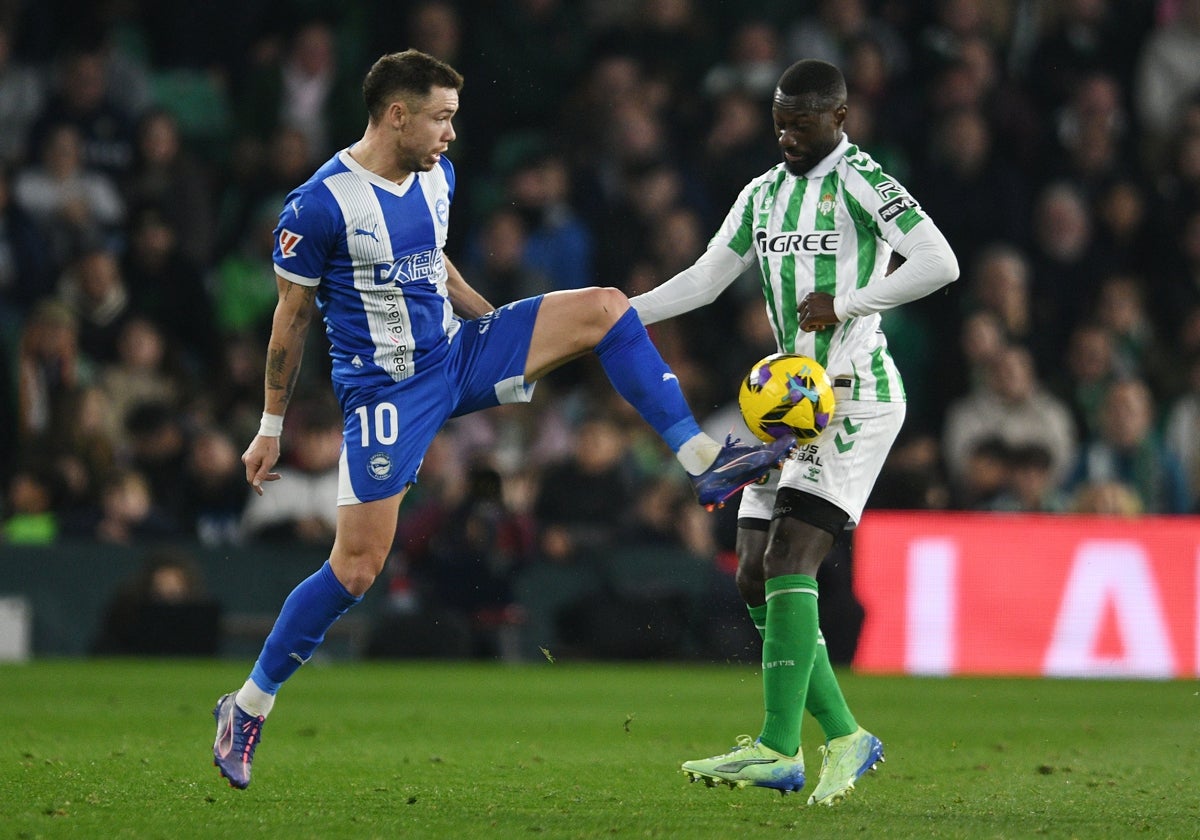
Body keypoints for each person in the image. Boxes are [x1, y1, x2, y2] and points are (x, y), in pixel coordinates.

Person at [210, 48, 794, 790]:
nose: (452, 134)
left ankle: (703, 458)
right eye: (441, 118)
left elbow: (435, 264)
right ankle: (248, 706)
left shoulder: (437, 176)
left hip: (456, 355)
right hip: (387, 394)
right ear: (396, 115)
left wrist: (506, 339)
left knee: (609, 308)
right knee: (357, 567)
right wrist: (270, 426)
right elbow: (289, 322)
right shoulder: (319, 205)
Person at [629, 59, 959, 805]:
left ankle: (781, 749)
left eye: (802, 123)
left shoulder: (864, 181)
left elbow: (940, 262)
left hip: (852, 396)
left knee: (788, 557)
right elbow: (708, 277)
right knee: (751, 568)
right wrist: (622, 315)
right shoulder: (764, 193)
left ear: (839, 118)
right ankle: (845, 735)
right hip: (786, 400)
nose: (786, 134)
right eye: (779, 119)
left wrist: (847, 303)